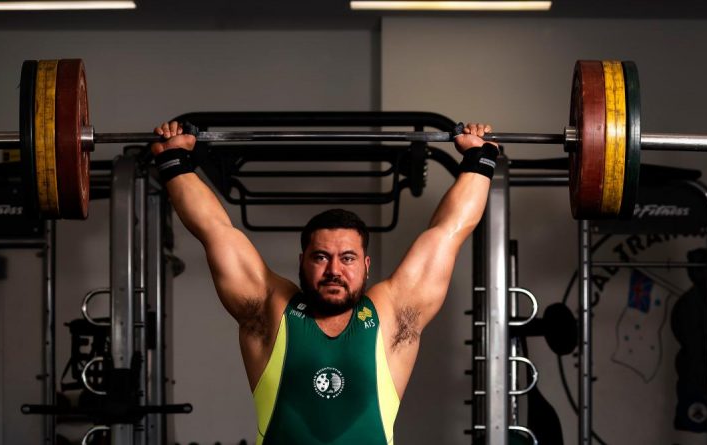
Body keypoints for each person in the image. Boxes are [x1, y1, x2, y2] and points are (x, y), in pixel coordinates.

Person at [151, 121, 498, 444]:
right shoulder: (270, 310)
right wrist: (174, 161)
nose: (334, 270)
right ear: (302, 261)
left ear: (365, 265)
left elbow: (448, 233)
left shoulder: (392, 314)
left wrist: (478, 158)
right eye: (321, 257)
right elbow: (215, 232)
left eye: (347, 258)